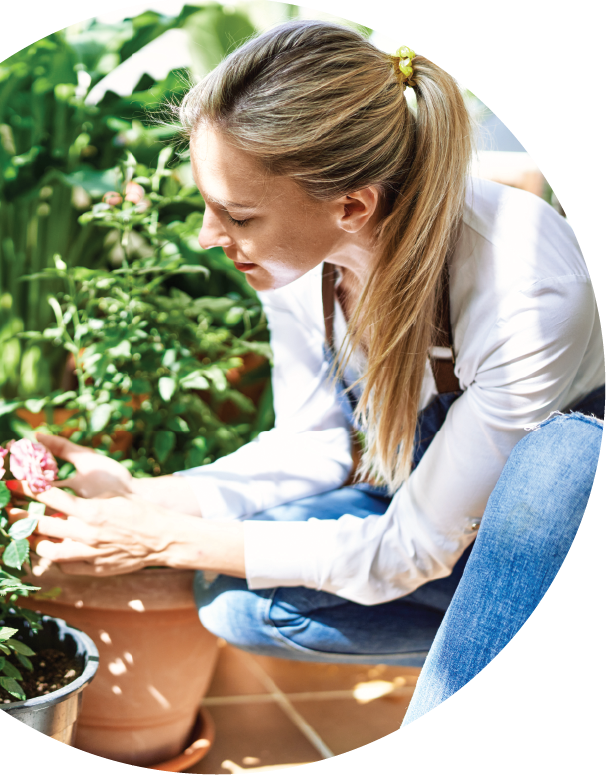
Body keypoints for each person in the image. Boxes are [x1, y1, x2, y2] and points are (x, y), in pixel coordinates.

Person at [9, 21, 604, 723]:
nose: (207, 235)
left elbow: (407, 548)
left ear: (353, 206)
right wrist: (150, 495)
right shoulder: (299, 260)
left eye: (236, 214)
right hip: (441, 504)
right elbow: (311, 448)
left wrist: (158, 538)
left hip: (546, 519)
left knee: (560, 466)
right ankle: (480, 630)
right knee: (238, 600)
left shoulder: (523, 282)